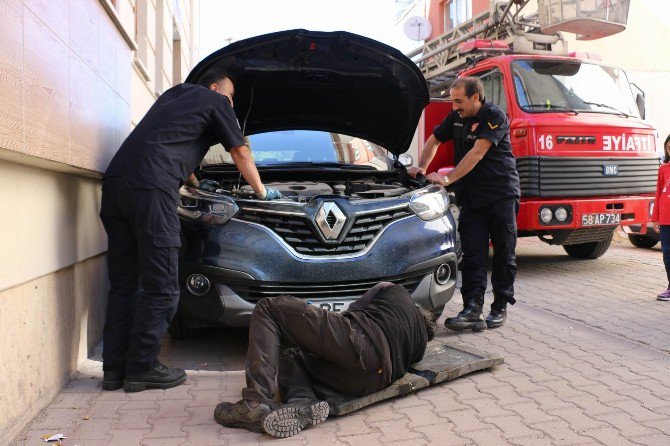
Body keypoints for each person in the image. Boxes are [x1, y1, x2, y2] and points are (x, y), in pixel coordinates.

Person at [99, 69, 283, 392]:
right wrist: (263, 192)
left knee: (124, 285)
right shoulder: (215, 100)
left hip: (115, 185)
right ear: (215, 89)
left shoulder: (173, 97)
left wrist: (195, 182)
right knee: (163, 287)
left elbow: (166, 144)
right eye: (230, 96)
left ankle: (114, 370)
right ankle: (141, 367)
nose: (230, 104)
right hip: (151, 190)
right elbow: (240, 151)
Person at [213, 282, 436, 438]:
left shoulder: (398, 293)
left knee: (268, 308)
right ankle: (302, 402)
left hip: (358, 340)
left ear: (419, 310)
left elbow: (354, 308)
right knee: (294, 356)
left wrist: (316, 327)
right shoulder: (419, 346)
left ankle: (254, 403)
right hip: (369, 381)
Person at [408, 77, 520, 331]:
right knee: (472, 255)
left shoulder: (495, 116)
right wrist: (422, 168)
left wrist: (447, 178)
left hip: (501, 194)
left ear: (475, 98)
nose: (454, 106)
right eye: (452, 100)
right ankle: (472, 309)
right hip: (472, 198)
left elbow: (477, 153)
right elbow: (434, 140)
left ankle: (500, 306)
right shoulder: (456, 117)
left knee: (504, 252)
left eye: (459, 101)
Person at [652, 134, 670, 301]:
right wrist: (655, 217)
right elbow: (658, 194)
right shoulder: (663, 168)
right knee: (667, 253)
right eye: (669, 147)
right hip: (665, 219)